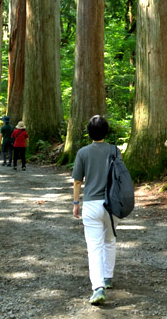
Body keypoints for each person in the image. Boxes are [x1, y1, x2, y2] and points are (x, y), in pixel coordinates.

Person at [72, 115, 118, 306]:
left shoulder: (83, 152)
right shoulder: (115, 151)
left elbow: (77, 181)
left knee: (94, 247)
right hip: (112, 203)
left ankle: (98, 287)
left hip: (91, 204)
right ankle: (108, 278)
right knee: (110, 240)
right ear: (106, 132)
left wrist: (76, 203)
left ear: (89, 132)